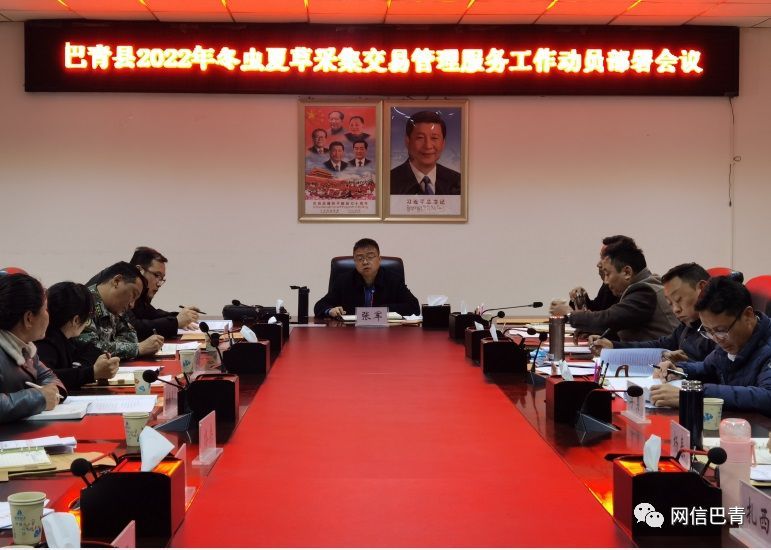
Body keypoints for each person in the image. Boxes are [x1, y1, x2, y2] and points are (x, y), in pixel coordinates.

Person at [650, 277, 771, 415]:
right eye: (708, 331)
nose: (716, 339)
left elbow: (767, 396)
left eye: (720, 330)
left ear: (747, 315)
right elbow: (708, 368)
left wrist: (696, 394)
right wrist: (679, 371)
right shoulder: (726, 338)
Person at [550, 239, 679, 341]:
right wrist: (600, 335)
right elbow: (624, 325)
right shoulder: (644, 285)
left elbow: (608, 319)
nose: (606, 281)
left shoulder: (644, 291)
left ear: (627, 272)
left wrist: (568, 314)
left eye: (607, 273)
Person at [591, 262, 715, 362]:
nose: (675, 309)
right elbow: (660, 345)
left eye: (679, 300)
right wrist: (613, 346)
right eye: (670, 303)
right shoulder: (687, 326)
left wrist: (684, 367)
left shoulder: (717, 330)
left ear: (702, 288)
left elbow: (715, 370)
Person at [0, 273, 67, 422]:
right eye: (45, 309)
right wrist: (39, 398)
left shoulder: (26, 347)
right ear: (29, 318)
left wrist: (51, 391)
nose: (48, 316)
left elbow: (48, 376)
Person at [35, 282, 120, 391]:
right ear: (76, 320)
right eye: (88, 318)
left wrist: (94, 366)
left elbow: (92, 351)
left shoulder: (66, 338)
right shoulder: (46, 343)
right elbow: (46, 378)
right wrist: (92, 373)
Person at [73, 262, 164, 363]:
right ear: (117, 281)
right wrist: (137, 349)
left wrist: (113, 347)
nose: (132, 305)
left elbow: (131, 337)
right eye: (133, 295)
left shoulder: (115, 307)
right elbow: (91, 349)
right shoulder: (83, 303)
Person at [314, 238, 420, 318]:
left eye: (370, 257)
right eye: (360, 258)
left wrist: (382, 310)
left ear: (379, 259)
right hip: (350, 333)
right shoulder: (343, 281)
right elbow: (319, 306)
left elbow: (414, 307)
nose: (365, 262)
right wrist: (330, 311)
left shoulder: (394, 280)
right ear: (354, 262)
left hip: (386, 333)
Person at [128, 246, 199, 340]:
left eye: (161, 278)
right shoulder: (123, 292)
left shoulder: (140, 297)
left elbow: (152, 314)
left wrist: (180, 316)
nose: (159, 284)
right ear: (139, 271)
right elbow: (134, 328)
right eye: (157, 275)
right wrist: (176, 322)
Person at [390, 110, 461, 195]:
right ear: (407, 141)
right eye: (420, 138)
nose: (428, 146)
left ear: (443, 143)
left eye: (434, 138)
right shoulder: (389, 181)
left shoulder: (457, 181)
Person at [568, 235, 626, 313]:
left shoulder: (636, 293)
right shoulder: (609, 284)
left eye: (603, 258)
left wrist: (569, 313)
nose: (598, 264)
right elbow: (598, 308)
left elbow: (610, 317)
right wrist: (583, 299)